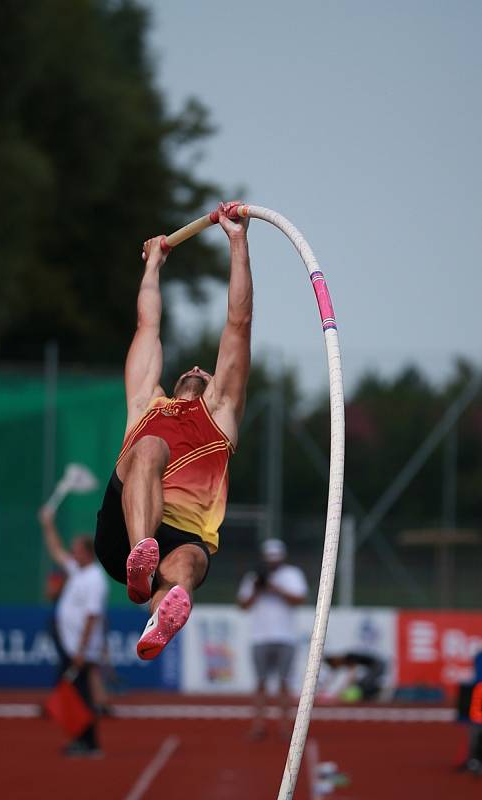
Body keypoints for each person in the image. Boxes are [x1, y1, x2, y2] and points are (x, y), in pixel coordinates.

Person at [95, 201, 252, 660]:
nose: (199, 367)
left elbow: (238, 325)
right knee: (149, 446)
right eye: (195, 367)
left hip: (184, 536)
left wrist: (238, 243)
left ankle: (158, 618)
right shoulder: (147, 403)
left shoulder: (220, 415)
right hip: (122, 532)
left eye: (206, 371)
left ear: (212, 386)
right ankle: (141, 552)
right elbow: (148, 324)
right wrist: (153, 267)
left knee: (189, 563)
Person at [39, 506, 108, 757]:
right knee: (72, 692)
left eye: (77, 549)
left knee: (80, 694)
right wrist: (47, 524)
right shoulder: (77, 571)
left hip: (80, 648)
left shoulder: (95, 579)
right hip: (71, 645)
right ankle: (81, 739)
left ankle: (89, 743)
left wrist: (81, 649)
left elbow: (92, 617)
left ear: (87, 553)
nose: (72, 553)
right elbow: (56, 550)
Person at [237, 538, 308, 740]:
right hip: (260, 636)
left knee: (285, 683)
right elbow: (243, 605)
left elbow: (299, 599)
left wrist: (276, 588)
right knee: (260, 683)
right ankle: (259, 725)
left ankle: (286, 728)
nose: (273, 562)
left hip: (285, 636)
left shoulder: (292, 574)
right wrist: (259, 589)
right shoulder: (254, 577)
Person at [321, 652, 386, 702]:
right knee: (363, 683)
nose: (335, 668)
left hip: (377, 665)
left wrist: (342, 689)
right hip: (374, 665)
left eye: (334, 666)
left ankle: (373, 696)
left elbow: (351, 676)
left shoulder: (349, 658)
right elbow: (333, 674)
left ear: (335, 661)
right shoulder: (343, 661)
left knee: (364, 684)